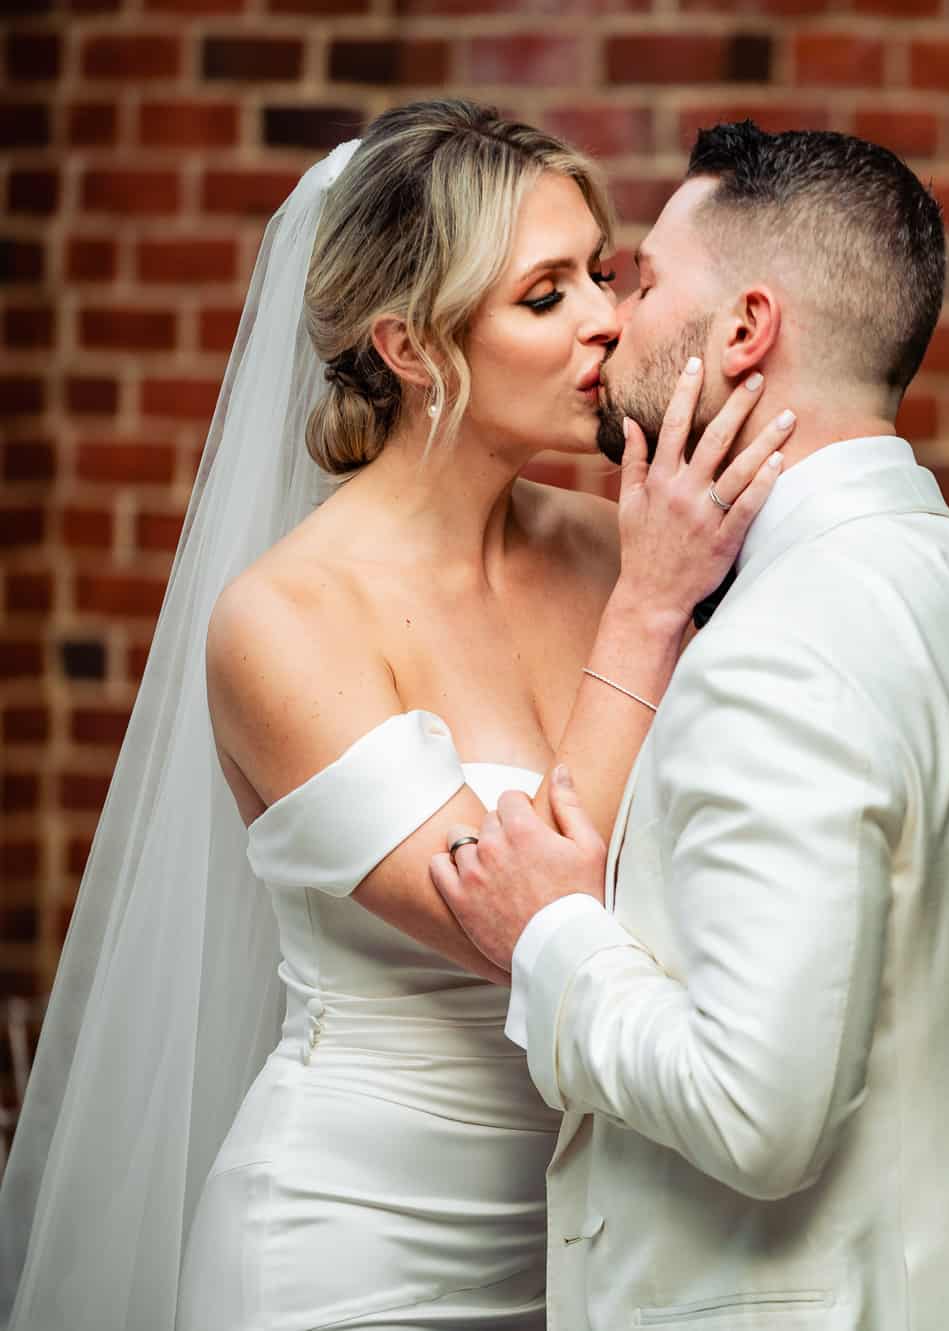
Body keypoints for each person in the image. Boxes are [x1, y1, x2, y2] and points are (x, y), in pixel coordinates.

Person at [1, 100, 789, 1330]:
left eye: (600, 271)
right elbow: (515, 920)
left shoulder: (617, 547)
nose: (606, 318)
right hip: (349, 1250)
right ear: (412, 348)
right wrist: (648, 611)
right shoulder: (285, 619)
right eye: (545, 296)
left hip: (610, 1242)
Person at [433, 122, 949, 1329]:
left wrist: (549, 929)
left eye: (643, 281)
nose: (610, 321)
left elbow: (753, 1111)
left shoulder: (775, 649)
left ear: (747, 330)